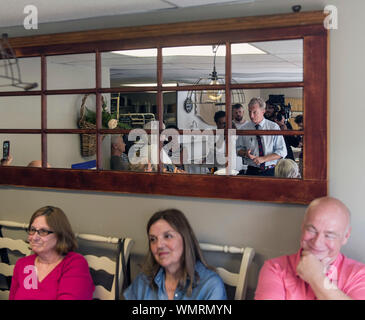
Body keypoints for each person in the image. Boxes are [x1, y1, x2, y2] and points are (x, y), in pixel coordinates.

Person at [255, 197, 365, 300]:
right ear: (302, 227)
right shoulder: (275, 268)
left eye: (329, 235)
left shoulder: (359, 274)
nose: (317, 243)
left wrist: (316, 278)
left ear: (346, 236)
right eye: (311, 230)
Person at [123, 209, 227, 300]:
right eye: (153, 239)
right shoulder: (143, 281)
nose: (159, 245)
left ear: (185, 239)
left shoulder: (210, 285)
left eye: (168, 236)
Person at [9, 206, 94, 300]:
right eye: (32, 230)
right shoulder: (24, 264)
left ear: (59, 235)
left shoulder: (74, 263)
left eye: (43, 231)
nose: (34, 237)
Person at [236, 97, 287, 176]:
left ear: (263, 111)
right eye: (249, 112)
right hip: (251, 171)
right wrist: (245, 154)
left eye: (254, 112)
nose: (251, 116)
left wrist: (263, 159)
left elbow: (282, 151)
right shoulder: (244, 129)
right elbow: (238, 149)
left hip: (270, 171)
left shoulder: (273, 127)